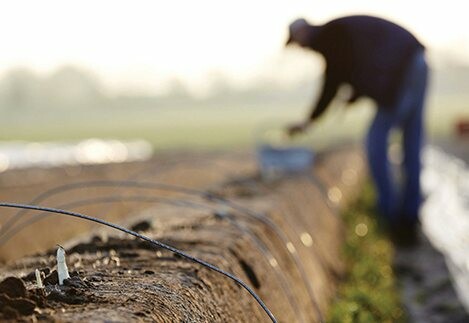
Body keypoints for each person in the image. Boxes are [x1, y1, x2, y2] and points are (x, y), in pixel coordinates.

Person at [285, 15, 428, 244]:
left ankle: (390, 215)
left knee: (376, 140)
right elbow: (358, 64)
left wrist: (310, 120)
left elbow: (334, 79)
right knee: (411, 141)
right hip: (415, 61)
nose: (301, 47)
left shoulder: (330, 36)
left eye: (298, 41)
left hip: (402, 69)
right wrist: (357, 92)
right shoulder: (337, 34)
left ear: (303, 32)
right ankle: (409, 216)